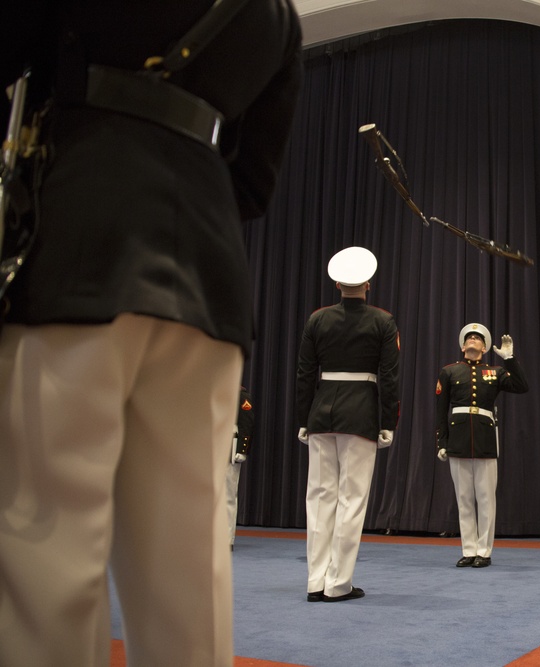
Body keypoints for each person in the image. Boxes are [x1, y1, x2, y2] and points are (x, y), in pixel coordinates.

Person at [0, 3, 301, 665]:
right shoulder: (277, 15)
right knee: (188, 569)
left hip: (79, 237)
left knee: (47, 554)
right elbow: (252, 183)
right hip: (206, 268)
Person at [295, 246, 400, 602]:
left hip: (322, 414)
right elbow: (389, 377)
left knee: (320, 498)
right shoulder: (382, 321)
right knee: (351, 500)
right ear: (367, 284)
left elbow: (305, 374)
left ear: (337, 283)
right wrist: (388, 421)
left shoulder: (317, 319)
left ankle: (314, 581)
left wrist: (303, 419)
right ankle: (338, 584)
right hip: (361, 415)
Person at [436, 323, 528, 568]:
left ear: (485, 347)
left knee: (486, 498)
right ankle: (468, 549)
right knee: (464, 497)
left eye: (478, 338)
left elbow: (521, 386)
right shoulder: (449, 372)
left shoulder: (495, 372)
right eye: (469, 338)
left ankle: (484, 551)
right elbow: (440, 410)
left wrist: (509, 359)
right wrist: (441, 441)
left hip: (485, 439)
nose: (473, 340)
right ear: (463, 345)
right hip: (458, 438)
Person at [228, 386, 255, 550]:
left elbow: (247, 421)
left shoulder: (239, 393)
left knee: (228, 495)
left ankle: (226, 538)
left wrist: (242, 449)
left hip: (228, 444)